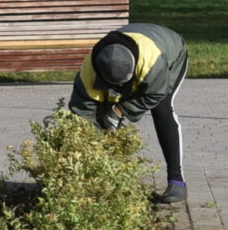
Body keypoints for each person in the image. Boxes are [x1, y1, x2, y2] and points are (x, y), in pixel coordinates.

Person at [69, 23, 191, 205]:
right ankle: (105, 178)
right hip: (132, 50)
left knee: (162, 108)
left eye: (122, 85)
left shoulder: (152, 61)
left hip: (171, 53)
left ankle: (177, 180)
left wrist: (120, 111)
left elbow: (154, 93)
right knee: (101, 114)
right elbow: (83, 113)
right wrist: (89, 147)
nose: (119, 89)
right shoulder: (89, 72)